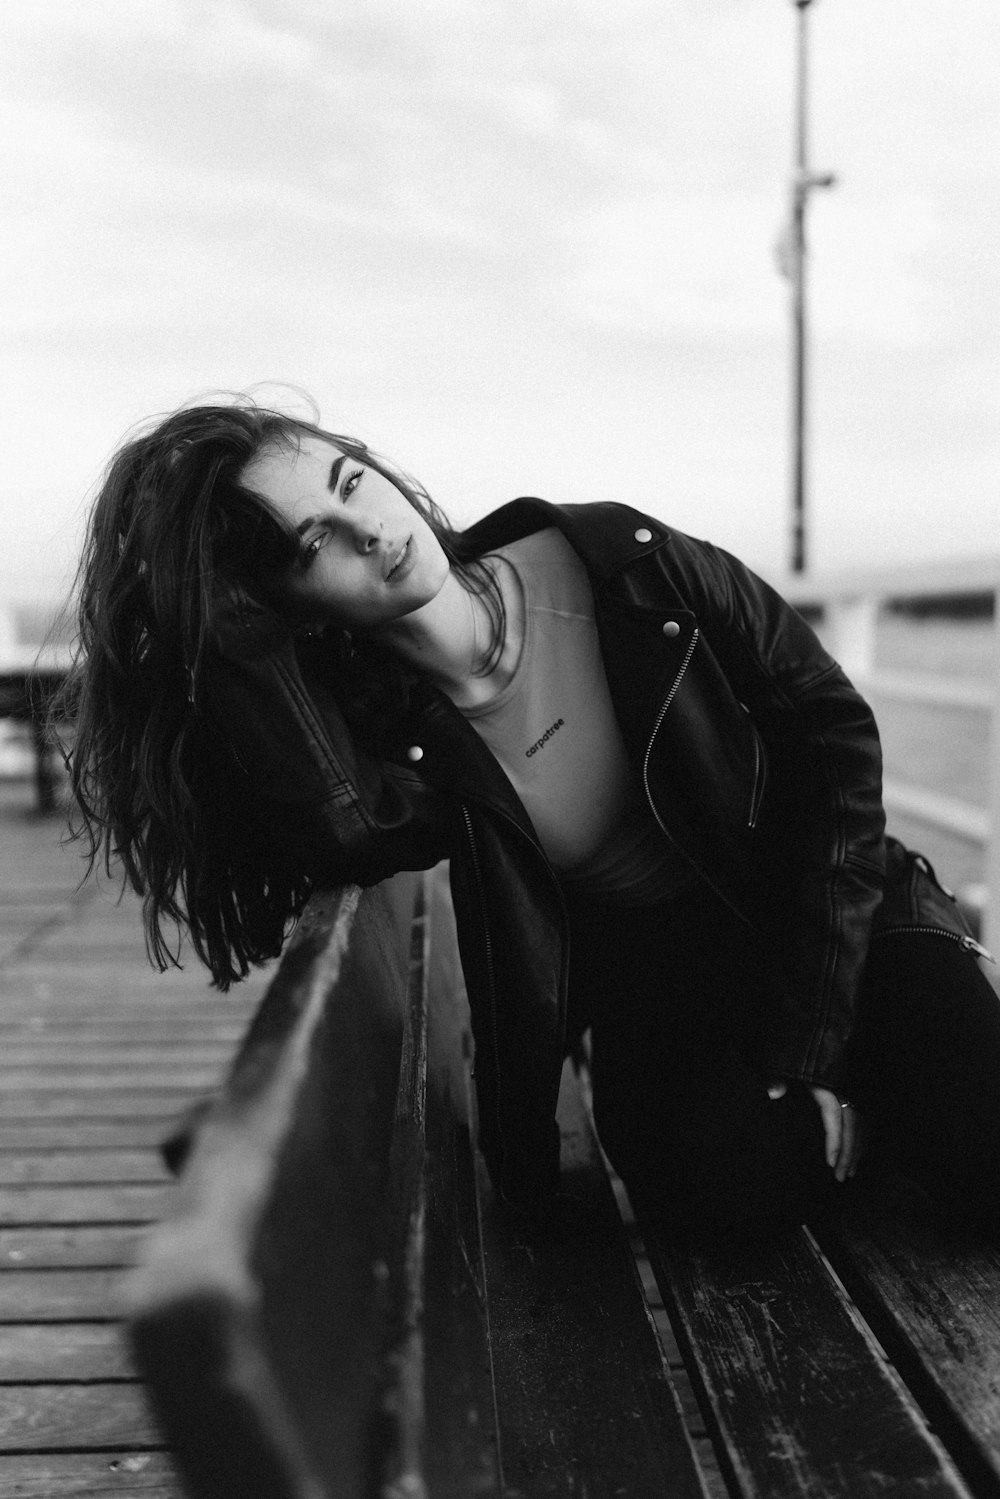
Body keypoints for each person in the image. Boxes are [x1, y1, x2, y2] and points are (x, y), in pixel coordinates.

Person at [64, 399, 1000, 1239]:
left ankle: (885, 1088)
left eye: (354, 483)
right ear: (287, 607)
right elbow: (348, 829)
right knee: (730, 1186)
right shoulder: (398, 741)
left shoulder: (623, 562)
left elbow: (831, 727)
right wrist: (229, 618)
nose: (371, 531)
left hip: (836, 913)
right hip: (674, 995)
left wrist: (810, 1046)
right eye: (316, 546)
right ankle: (875, 1109)